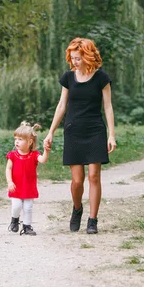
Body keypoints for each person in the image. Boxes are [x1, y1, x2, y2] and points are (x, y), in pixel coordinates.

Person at [43, 38, 116, 234]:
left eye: (78, 58)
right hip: (73, 130)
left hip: (95, 130)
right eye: (72, 58)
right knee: (77, 181)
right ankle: (77, 209)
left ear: (87, 56)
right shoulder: (68, 77)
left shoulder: (101, 78)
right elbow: (61, 106)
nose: (74, 61)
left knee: (94, 176)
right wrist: (50, 132)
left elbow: (108, 107)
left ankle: (92, 220)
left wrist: (111, 135)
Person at [6, 121, 50, 236]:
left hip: (29, 187)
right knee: (16, 206)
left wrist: (46, 151)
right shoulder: (13, 155)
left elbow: (43, 160)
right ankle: (14, 220)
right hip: (16, 186)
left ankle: (27, 226)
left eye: (20, 139)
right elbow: (8, 169)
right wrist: (9, 182)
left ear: (30, 142)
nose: (16, 141)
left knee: (28, 207)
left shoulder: (34, 155)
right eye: (16, 139)